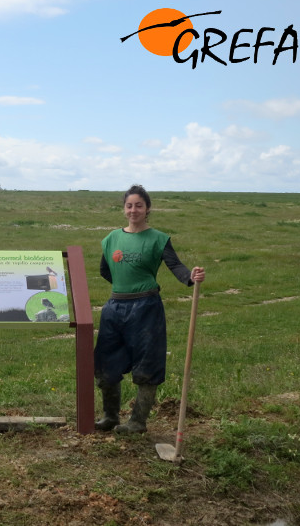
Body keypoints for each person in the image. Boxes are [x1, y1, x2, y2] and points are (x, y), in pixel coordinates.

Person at [94, 185, 206, 435]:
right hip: (114, 308)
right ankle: (110, 417)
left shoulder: (158, 239)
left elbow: (175, 265)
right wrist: (125, 288)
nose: (133, 210)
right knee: (105, 363)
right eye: (129, 205)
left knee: (147, 364)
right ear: (124, 209)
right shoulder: (111, 239)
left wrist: (191, 276)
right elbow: (104, 271)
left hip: (146, 309)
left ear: (147, 209)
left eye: (139, 205)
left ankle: (137, 422)